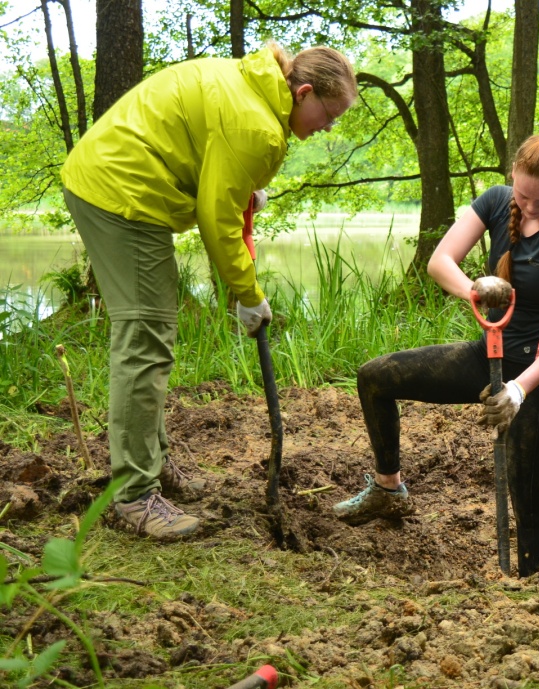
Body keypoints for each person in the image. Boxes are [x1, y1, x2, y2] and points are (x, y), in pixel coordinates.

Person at [61, 43, 357, 540]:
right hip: (121, 191)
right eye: (328, 115)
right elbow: (217, 221)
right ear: (303, 92)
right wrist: (247, 293)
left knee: (150, 332)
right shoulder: (257, 125)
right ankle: (134, 494)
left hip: (116, 179)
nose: (328, 128)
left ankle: (150, 466)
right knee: (146, 335)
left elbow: (211, 161)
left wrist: (243, 187)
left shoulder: (251, 86)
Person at [333, 124, 539, 577]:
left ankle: (535, 587)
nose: (530, 208)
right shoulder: (494, 200)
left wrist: (519, 392)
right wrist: (475, 288)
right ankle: (388, 489)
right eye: (523, 196)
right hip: (487, 356)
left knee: (528, 506)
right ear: (513, 173)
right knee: (376, 377)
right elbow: (438, 261)